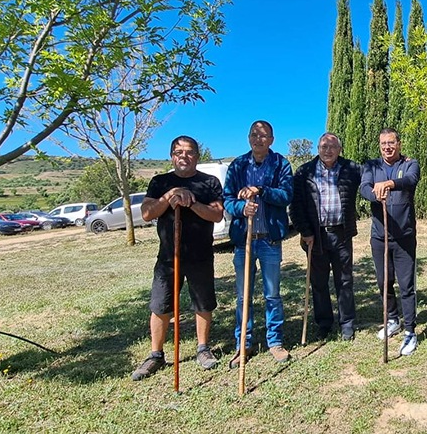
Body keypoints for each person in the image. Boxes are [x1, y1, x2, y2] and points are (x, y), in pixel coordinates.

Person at [132, 136, 225, 381]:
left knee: (203, 304)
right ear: (172, 156)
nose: (184, 156)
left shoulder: (209, 182)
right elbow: (146, 213)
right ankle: (155, 354)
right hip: (168, 257)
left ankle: (203, 349)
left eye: (190, 152)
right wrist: (169, 197)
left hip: (200, 253)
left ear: (197, 155)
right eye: (179, 152)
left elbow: (216, 215)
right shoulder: (160, 182)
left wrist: (190, 202)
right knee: (160, 305)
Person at [224, 120, 293, 366]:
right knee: (243, 296)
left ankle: (275, 342)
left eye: (263, 135)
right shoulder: (238, 165)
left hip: (269, 241)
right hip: (244, 241)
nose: (258, 139)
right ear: (248, 138)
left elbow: (286, 196)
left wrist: (262, 190)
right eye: (254, 134)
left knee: (272, 294)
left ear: (271, 140)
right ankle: (243, 343)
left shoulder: (281, 164)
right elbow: (227, 200)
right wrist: (242, 207)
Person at [290, 132, 362, 342]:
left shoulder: (351, 168)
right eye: (323, 146)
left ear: (340, 149)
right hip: (315, 236)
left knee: (345, 280)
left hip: (342, 233)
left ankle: (347, 323)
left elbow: (371, 175)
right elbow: (296, 206)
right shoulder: (305, 172)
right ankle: (323, 323)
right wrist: (305, 231)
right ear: (318, 149)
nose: (327, 150)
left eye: (332, 147)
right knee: (318, 282)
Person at [361, 128, 421, 356]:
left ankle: (410, 331)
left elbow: (410, 180)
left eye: (391, 142)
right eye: (383, 143)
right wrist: (375, 194)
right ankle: (392, 319)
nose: (387, 146)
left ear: (399, 143)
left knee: (406, 286)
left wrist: (389, 184)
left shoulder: (410, 164)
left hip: (404, 236)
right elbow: (364, 187)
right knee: (384, 282)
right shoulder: (371, 166)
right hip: (380, 235)